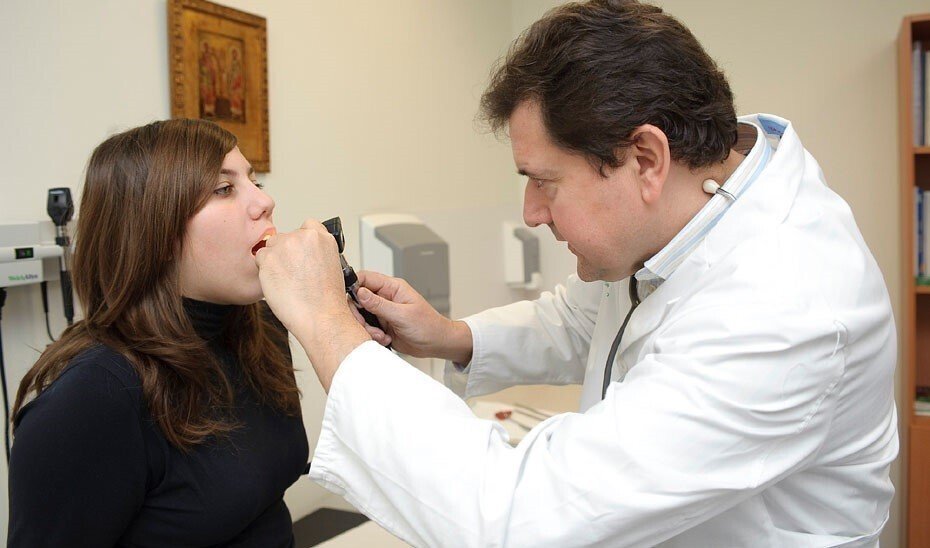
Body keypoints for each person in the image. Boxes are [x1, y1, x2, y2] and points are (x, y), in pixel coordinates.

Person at [256, 1, 898, 546]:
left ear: (645, 158)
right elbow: (585, 317)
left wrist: (326, 323)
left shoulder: (784, 307)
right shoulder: (699, 206)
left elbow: (516, 518)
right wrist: (452, 336)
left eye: (545, 181)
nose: (531, 213)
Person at [9, 119, 309, 547]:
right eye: (224, 189)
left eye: (254, 181)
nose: (265, 201)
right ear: (156, 232)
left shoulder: (261, 329)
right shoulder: (90, 401)